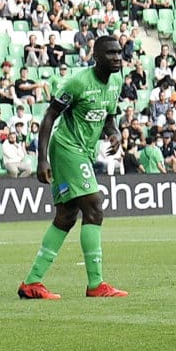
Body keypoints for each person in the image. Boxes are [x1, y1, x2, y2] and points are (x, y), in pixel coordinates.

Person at [17, 36, 137, 300]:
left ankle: (32, 282)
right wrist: (41, 159)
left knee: (67, 216)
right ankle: (96, 284)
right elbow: (49, 116)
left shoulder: (116, 82)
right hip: (66, 148)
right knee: (94, 207)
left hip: (84, 151)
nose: (117, 57)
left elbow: (109, 116)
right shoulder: (77, 82)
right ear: (96, 56)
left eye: (119, 53)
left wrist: (114, 132)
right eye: (110, 53)